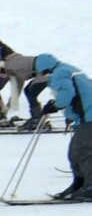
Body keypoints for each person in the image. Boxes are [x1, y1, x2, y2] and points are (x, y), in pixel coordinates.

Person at [34, 54, 92, 200]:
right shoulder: (67, 69)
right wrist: (70, 115)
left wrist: (55, 105)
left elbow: (68, 93)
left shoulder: (58, 74)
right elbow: (80, 93)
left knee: (83, 151)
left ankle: (89, 186)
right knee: (75, 152)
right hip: (86, 116)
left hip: (89, 117)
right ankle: (80, 183)